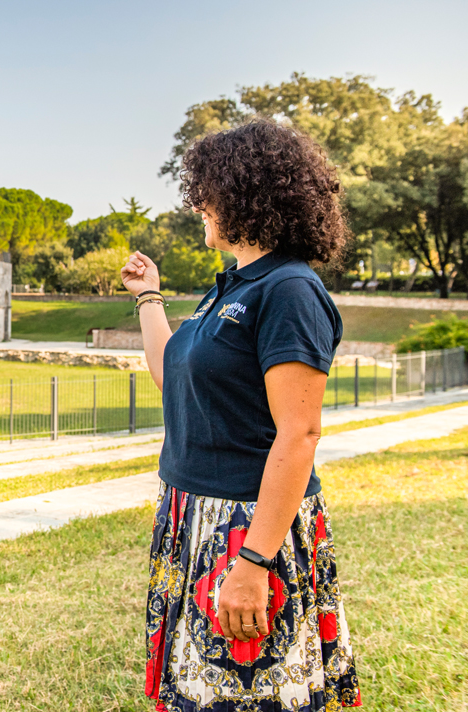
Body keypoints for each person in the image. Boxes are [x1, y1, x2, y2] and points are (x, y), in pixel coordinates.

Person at [124, 119, 361, 711]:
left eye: (208, 191)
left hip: (248, 523)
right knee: (199, 692)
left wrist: (254, 561)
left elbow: (300, 432)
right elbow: (172, 376)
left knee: (254, 695)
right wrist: (149, 297)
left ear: (246, 193)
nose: (199, 204)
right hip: (191, 512)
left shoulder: (288, 289)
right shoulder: (231, 286)